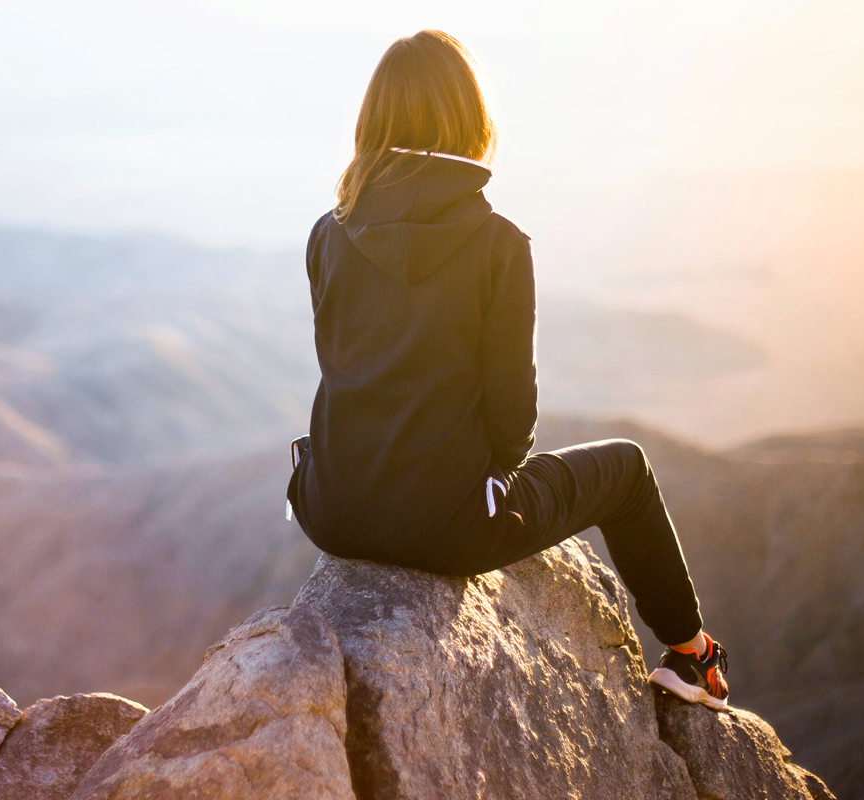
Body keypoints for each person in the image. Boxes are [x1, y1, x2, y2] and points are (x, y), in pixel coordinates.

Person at [287, 29, 729, 710]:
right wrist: (485, 484)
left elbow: (345, 366)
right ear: (470, 120)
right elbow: (513, 424)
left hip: (330, 508)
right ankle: (690, 654)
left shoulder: (327, 230)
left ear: (372, 120)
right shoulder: (498, 244)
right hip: (449, 528)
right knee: (629, 470)